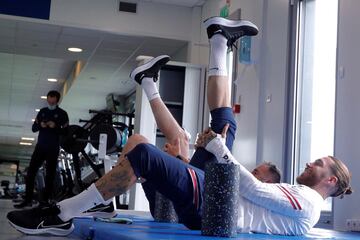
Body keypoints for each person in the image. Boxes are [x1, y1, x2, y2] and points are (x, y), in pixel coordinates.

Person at [7, 17, 350, 236]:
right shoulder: (303, 199)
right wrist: (217, 147)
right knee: (220, 123)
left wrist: (219, 150)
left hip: (212, 206)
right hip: (212, 198)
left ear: (331, 180)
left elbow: (255, 191)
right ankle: (215, 43)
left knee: (142, 150)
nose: (309, 163)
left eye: (318, 164)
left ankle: (61, 214)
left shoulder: (308, 201)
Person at [129, 53, 281, 215]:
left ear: (268, 182)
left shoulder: (257, 199)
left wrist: (212, 148)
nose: (251, 173)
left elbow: (217, 189)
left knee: (225, 126)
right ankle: (147, 81)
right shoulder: (249, 189)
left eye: (256, 172)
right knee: (179, 139)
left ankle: (219, 40)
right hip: (187, 197)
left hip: (181, 209)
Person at [14, 90, 69, 208]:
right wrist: (40, 125)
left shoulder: (62, 114)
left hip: (53, 148)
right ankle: (28, 200)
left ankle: (45, 201)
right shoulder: (42, 112)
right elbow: (34, 128)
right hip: (40, 147)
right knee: (31, 172)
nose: (50, 103)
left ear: (57, 101)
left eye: (52, 101)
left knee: (50, 175)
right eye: (48, 100)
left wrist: (55, 126)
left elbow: (65, 131)